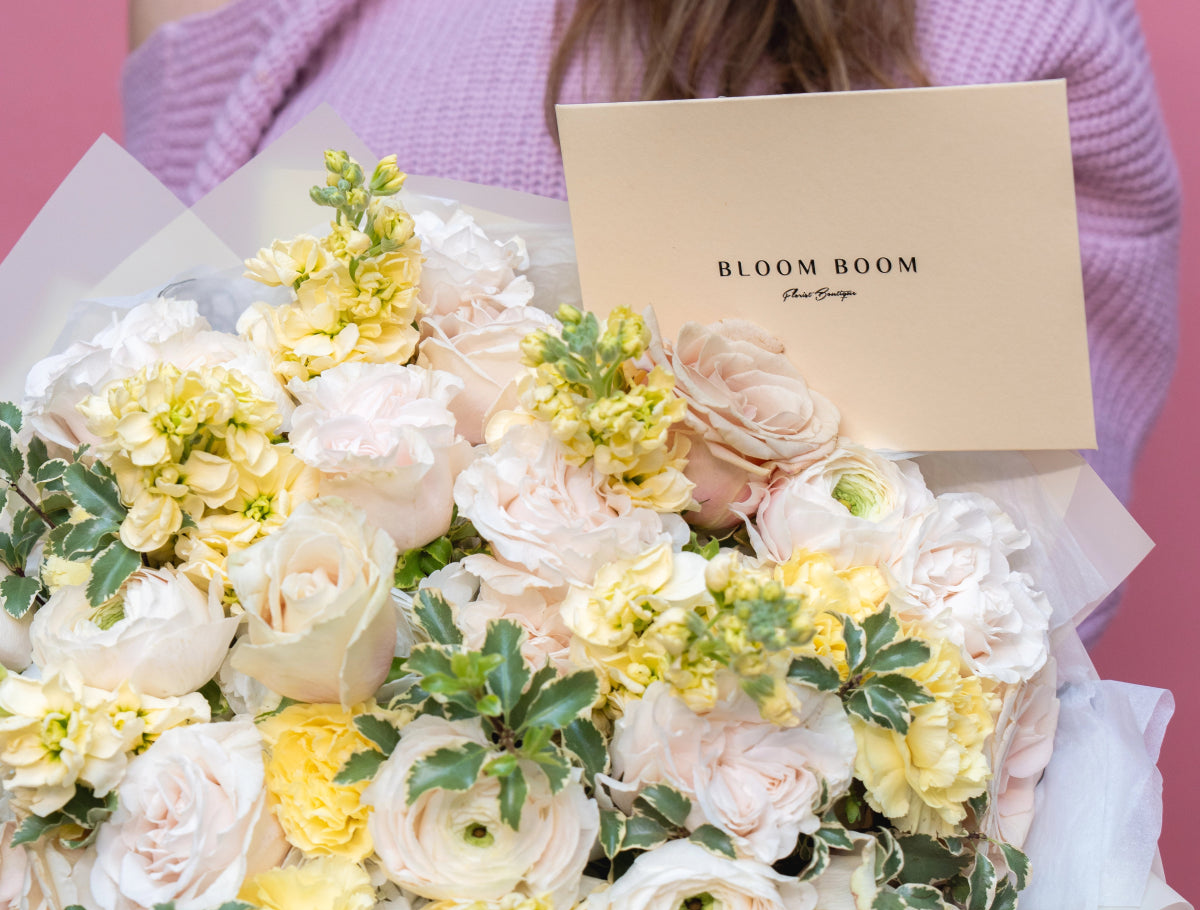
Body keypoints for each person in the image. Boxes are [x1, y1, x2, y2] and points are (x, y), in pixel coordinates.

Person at [123, 0, 1180, 635]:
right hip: (281, 894)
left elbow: (1027, 598)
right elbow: (142, 405)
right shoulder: (257, 15)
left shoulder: (1013, 32)